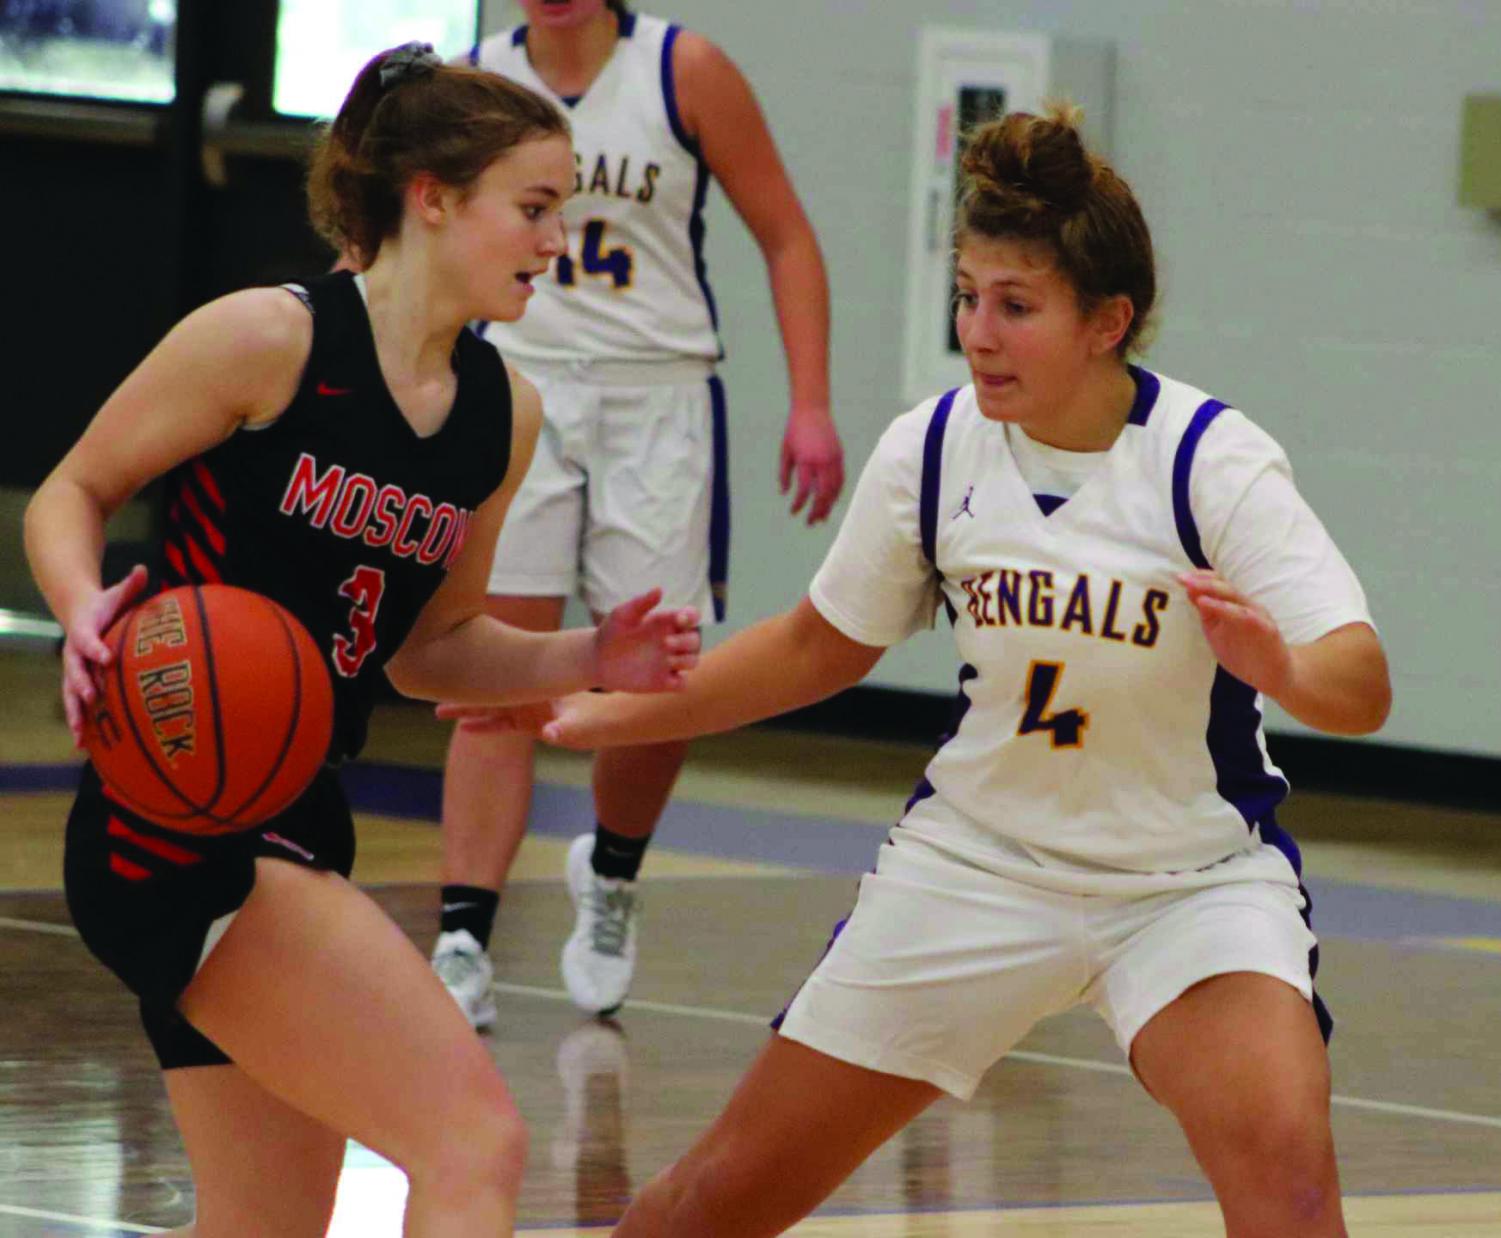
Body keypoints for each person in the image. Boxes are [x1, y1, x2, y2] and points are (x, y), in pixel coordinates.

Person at [446, 105, 1392, 1237]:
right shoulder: (934, 447)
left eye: (1014, 306)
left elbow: (1360, 679)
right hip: (976, 865)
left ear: (1107, 322)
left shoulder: (1207, 460)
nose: (977, 332)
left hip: (1183, 886)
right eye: (967, 296)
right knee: (711, 1201)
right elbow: (814, 645)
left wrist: (1278, 662)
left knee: (1292, 1191)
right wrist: (594, 710)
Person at [24, 45, 698, 1238]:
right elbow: (69, 491)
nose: (556, 242)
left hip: (295, 805)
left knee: (265, 1225)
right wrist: (84, 607)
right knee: (474, 1143)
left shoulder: (501, 412)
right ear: (431, 197)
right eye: (533, 208)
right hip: (176, 817)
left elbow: (430, 648)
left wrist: (590, 654)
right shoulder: (267, 341)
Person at [431, 0, 843, 1027]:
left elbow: (787, 237)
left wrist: (809, 403)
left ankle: (610, 873)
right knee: (492, 661)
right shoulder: (472, 81)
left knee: (659, 664)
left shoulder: (683, 69)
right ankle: (461, 934)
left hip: (657, 392)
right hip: (517, 376)